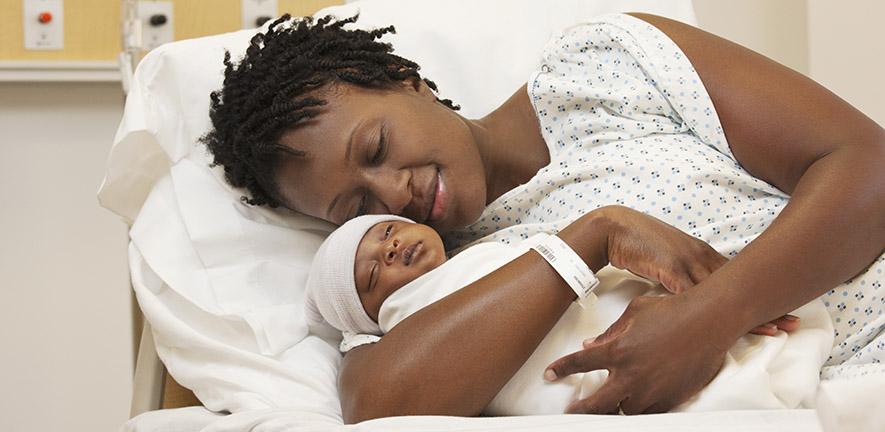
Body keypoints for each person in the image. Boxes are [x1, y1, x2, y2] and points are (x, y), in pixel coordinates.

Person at [201, 12, 885, 422]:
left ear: (404, 79)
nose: (393, 193)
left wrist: (710, 318)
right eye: (356, 206)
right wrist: (592, 235)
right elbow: (377, 408)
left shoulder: (603, 67)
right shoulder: (445, 281)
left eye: (376, 148)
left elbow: (865, 165)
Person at [303, 213, 831, 415]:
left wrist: (712, 310)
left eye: (388, 232)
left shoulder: (497, 249)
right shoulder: (405, 324)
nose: (391, 250)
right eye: (373, 275)